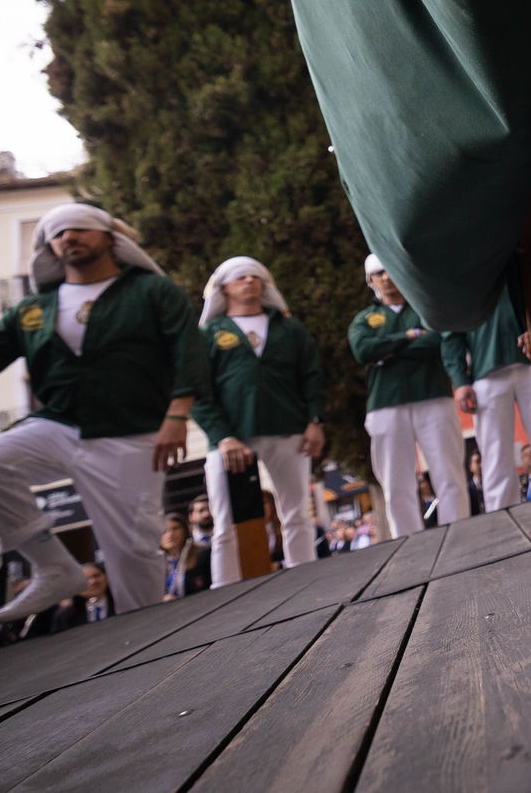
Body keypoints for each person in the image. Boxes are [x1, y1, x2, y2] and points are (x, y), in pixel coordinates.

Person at [0, 202, 207, 622]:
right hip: (59, 425)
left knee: (131, 551)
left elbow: (190, 351)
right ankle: (54, 566)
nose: (68, 237)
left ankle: (151, 642)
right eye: (57, 234)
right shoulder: (34, 310)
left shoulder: (150, 291)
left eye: (78, 229)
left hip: (131, 432)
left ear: (110, 238)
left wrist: (177, 415)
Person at [193, 256, 323, 585]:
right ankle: (226, 590)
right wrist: (222, 436)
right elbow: (197, 390)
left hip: (288, 427)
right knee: (226, 521)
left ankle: (306, 580)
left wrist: (314, 420)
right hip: (231, 438)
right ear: (223, 288)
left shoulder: (288, 327)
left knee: (296, 512)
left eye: (255, 276)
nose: (249, 282)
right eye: (240, 278)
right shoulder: (210, 333)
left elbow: (311, 375)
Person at [349, 255, 470, 536]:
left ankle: (462, 533)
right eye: (379, 273)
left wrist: (387, 349)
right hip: (385, 406)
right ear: (371, 281)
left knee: (448, 473)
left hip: (434, 397)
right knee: (396, 482)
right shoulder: (364, 319)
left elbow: (435, 342)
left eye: (391, 271)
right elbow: (363, 351)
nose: (387, 278)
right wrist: (408, 337)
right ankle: (408, 541)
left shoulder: (426, 309)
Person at [442, 278, 531, 512]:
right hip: (486, 370)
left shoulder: (512, 252)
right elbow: (450, 333)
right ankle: (502, 515)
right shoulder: (459, 272)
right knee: (494, 454)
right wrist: (460, 381)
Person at [52, 562, 115, 631]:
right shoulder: (66, 615)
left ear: (106, 577)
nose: (92, 582)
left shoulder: (121, 603)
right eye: (85, 579)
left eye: (96, 576)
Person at [160, 513, 210, 599]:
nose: (170, 534)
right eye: (164, 531)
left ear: (185, 530)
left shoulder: (202, 555)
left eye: (175, 528)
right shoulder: (156, 563)